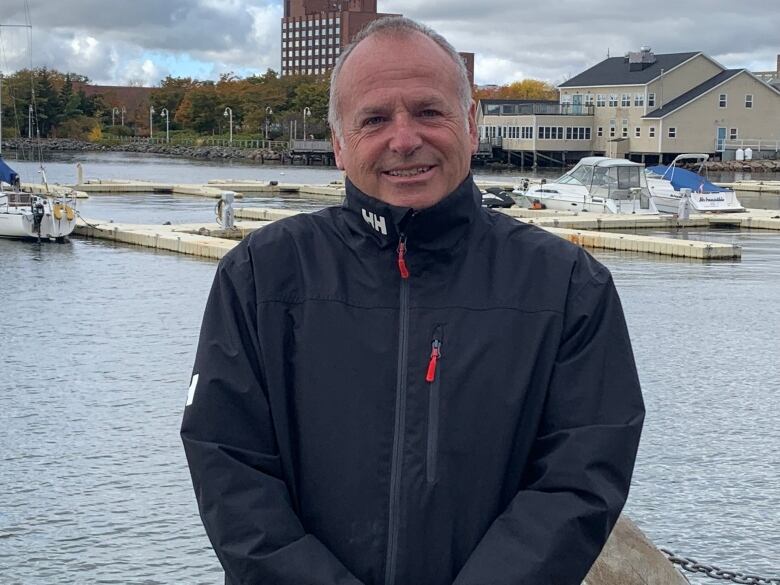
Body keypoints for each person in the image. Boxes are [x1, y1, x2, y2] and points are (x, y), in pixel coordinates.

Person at [181, 16, 644, 585]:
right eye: (374, 119)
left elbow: (580, 479)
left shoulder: (570, 288)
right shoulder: (259, 278)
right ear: (339, 145)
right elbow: (228, 465)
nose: (404, 139)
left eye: (429, 111)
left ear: (471, 125)